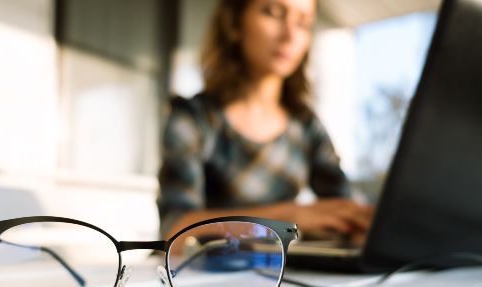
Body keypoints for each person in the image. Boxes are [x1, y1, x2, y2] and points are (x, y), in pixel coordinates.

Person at [157, 0, 374, 244]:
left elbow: (345, 208)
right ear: (234, 23)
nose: (290, 35)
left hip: (281, 275)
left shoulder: (306, 126)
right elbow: (175, 230)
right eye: (273, 12)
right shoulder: (194, 118)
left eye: (303, 23)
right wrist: (288, 217)